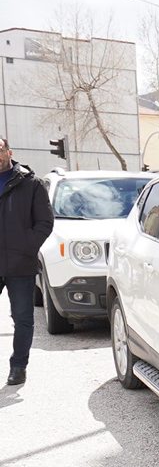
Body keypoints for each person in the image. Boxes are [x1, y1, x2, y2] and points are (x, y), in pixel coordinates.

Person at [0, 137, 53, 387]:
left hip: (20, 263)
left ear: (9, 152)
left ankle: (19, 366)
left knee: (22, 318)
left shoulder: (31, 184)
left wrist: (26, 246)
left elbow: (45, 222)